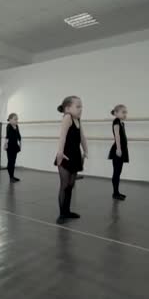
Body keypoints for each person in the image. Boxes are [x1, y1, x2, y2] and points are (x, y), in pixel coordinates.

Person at [54, 96, 88, 225]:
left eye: (81, 107)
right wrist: (60, 153)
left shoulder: (78, 119)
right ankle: (62, 214)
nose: (81, 109)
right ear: (68, 108)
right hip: (65, 155)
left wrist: (85, 150)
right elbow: (62, 136)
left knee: (71, 185)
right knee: (64, 185)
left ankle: (67, 211)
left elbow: (82, 136)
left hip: (75, 155)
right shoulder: (67, 117)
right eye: (78, 106)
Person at [108, 105, 129, 200]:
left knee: (118, 171)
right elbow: (117, 136)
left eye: (126, 112)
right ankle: (115, 193)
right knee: (116, 172)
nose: (125, 114)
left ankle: (117, 192)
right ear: (116, 113)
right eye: (123, 112)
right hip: (118, 150)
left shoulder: (122, 123)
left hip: (122, 149)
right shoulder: (116, 122)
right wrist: (119, 149)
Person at [4, 113, 22, 183]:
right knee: (10, 161)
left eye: (17, 119)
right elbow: (7, 136)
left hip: (15, 146)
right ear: (10, 120)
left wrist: (20, 144)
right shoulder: (8, 126)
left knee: (13, 161)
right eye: (15, 119)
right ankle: (11, 176)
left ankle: (12, 176)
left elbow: (19, 136)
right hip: (10, 147)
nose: (16, 120)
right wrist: (5, 144)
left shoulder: (17, 126)